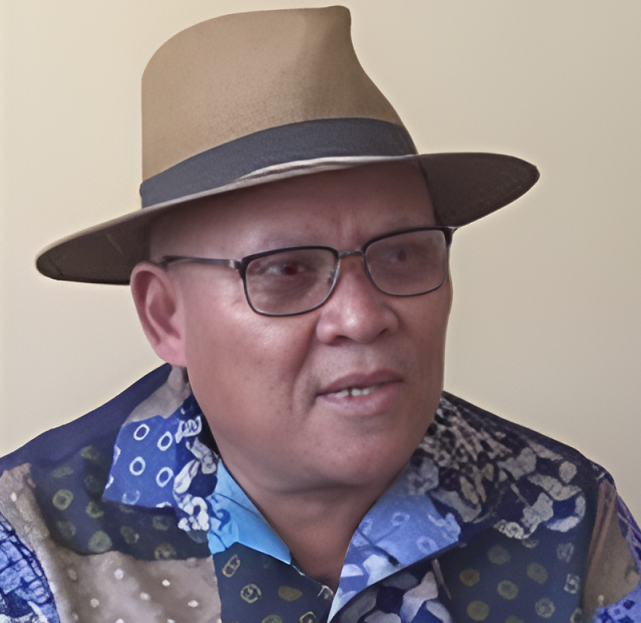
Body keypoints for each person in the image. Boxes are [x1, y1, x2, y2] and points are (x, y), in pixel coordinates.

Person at [1, 7, 639, 623]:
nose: (361, 318)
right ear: (168, 316)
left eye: (401, 253)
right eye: (284, 270)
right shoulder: (30, 551)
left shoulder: (564, 513)